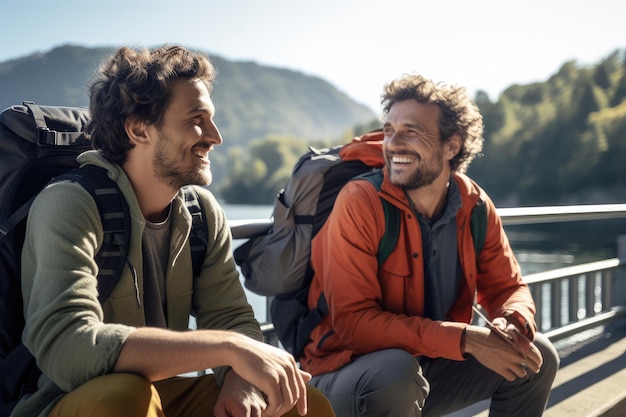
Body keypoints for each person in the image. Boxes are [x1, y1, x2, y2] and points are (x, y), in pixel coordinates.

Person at [15, 45, 335, 417]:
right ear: (138, 129)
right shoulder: (70, 204)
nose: (215, 136)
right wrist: (228, 348)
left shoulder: (201, 213)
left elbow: (230, 317)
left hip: (162, 397)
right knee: (127, 396)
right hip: (74, 402)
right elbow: (68, 347)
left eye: (212, 119)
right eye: (197, 119)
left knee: (303, 404)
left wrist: (240, 378)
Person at [301, 73, 560, 417]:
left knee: (534, 359)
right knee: (396, 373)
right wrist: (466, 339)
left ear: (451, 146)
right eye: (390, 130)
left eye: (411, 131)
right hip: (342, 373)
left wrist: (513, 322)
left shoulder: (474, 205)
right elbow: (354, 326)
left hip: (424, 367)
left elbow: (508, 287)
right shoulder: (360, 201)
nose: (393, 143)